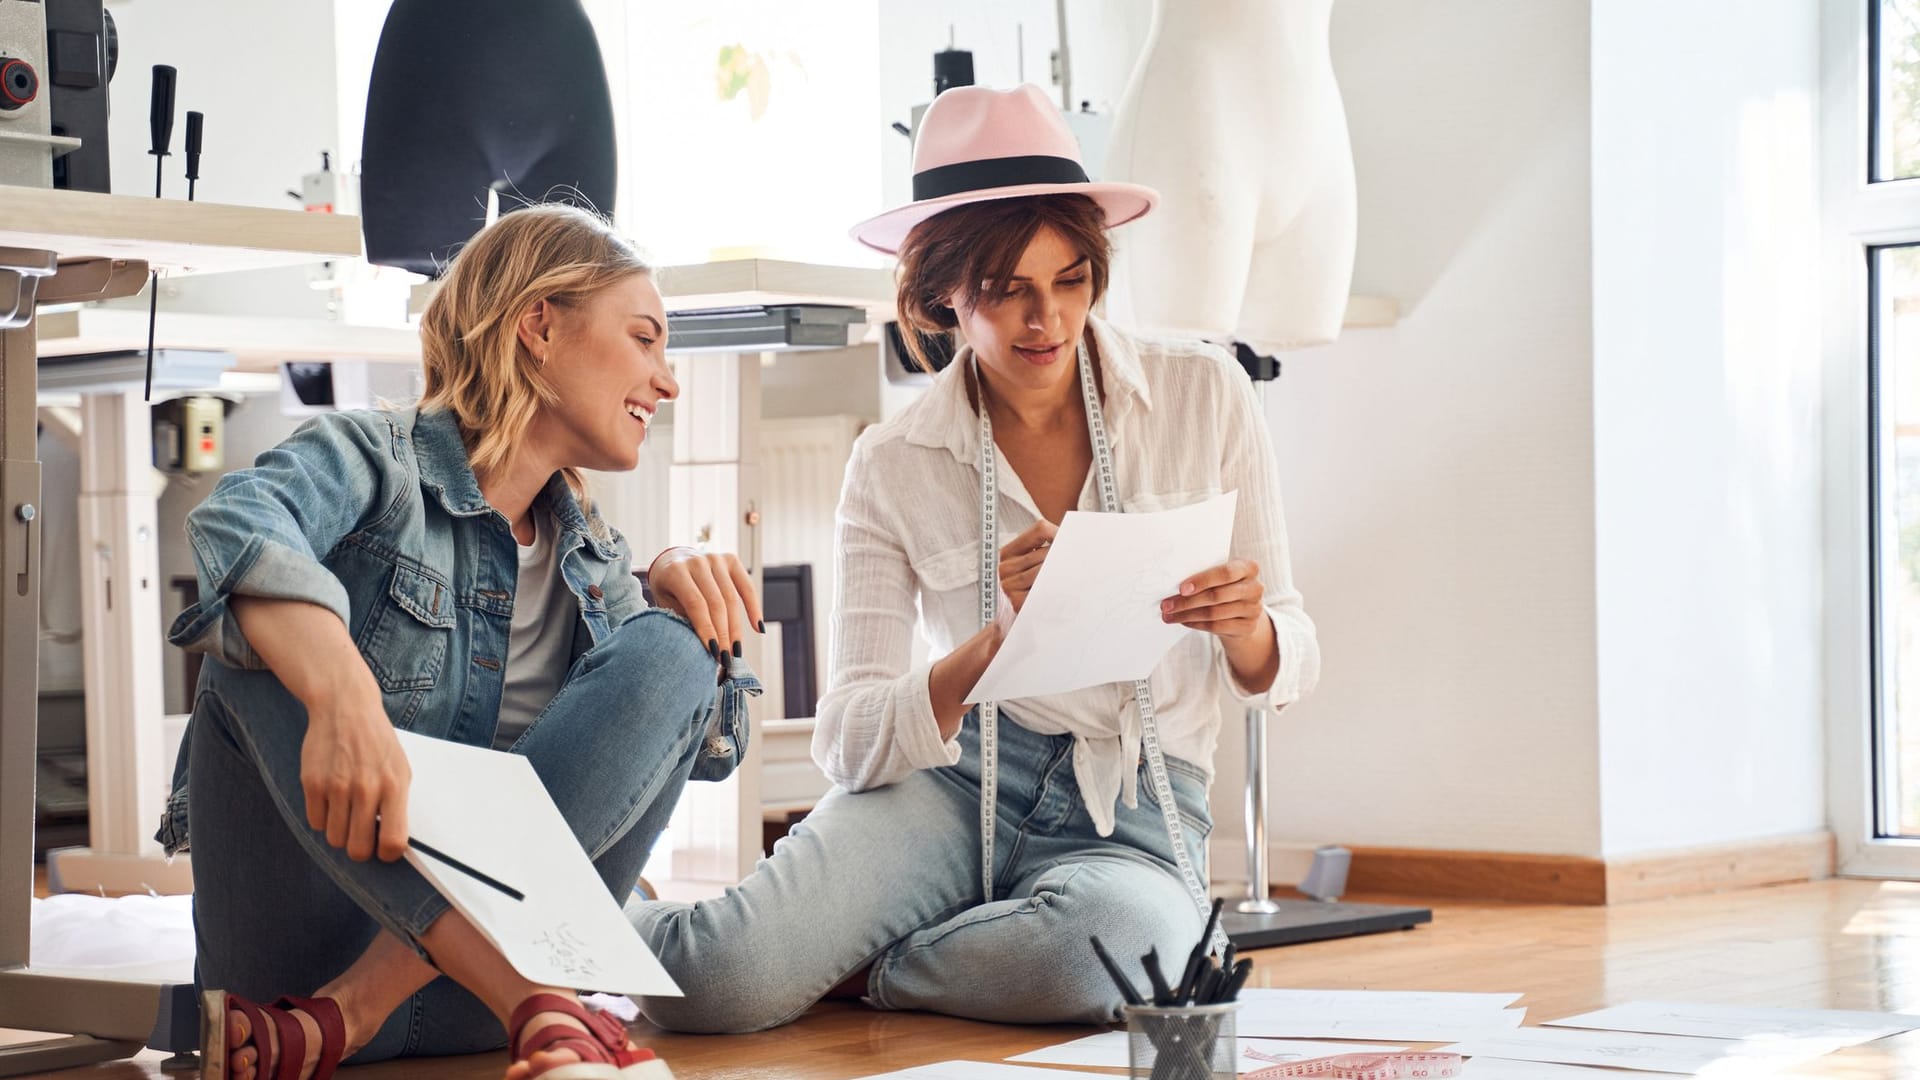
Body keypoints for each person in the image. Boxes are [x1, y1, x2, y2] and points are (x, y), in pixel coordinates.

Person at [625, 84, 1320, 1032]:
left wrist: (1249, 631)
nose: (1048, 321)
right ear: (942, 293)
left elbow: (1291, 655)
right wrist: (992, 647)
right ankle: (593, 903)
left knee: (1113, 961)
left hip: (1140, 812)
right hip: (951, 788)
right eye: (1006, 290)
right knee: (715, 988)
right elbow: (846, 737)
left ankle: (872, 961)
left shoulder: (1207, 393)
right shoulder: (893, 463)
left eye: (1070, 280)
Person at [160, 204, 762, 1080]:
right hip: (295, 981)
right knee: (251, 644)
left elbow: (706, 751)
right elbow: (237, 523)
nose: (666, 382)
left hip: (441, 1008)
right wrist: (342, 696)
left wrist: (682, 595)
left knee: (673, 650)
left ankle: (368, 1008)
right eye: (644, 339)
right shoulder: (372, 460)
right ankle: (521, 1000)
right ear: (539, 327)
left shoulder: (595, 562)